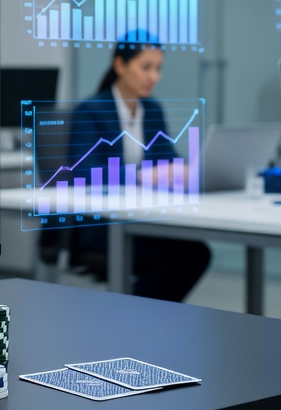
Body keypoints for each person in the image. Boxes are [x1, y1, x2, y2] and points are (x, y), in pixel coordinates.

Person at [57, 31, 211, 301]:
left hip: (141, 217)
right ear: (120, 65)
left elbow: (168, 158)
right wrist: (141, 176)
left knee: (196, 253)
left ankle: (148, 317)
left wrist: (183, 171)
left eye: (158, 68)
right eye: (146, 67)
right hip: (101, 224)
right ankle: (136, 319)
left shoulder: (151, 110)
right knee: (173, 259)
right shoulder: (90, 110)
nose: (154, 77)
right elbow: (85, 173)